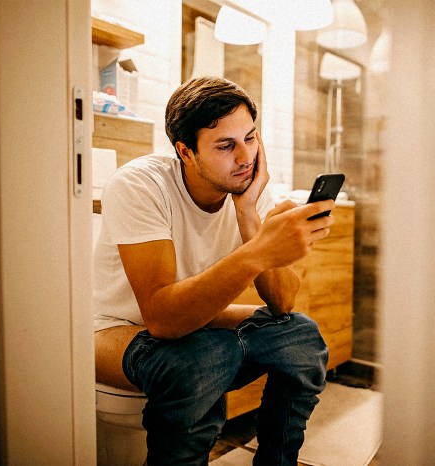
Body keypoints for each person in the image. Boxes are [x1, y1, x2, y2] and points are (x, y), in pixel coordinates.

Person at [93, 76, 335, 465]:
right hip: (113, 328)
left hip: (195, 325)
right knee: (203, 357)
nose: (246, 157)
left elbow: (283, 302)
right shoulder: (140, 185)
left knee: (301, 337)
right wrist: (258, 252)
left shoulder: (246, 187)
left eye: (251, 138)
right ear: (185, 152)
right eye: (226, 145)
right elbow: (161, 318)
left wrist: (247, 213)